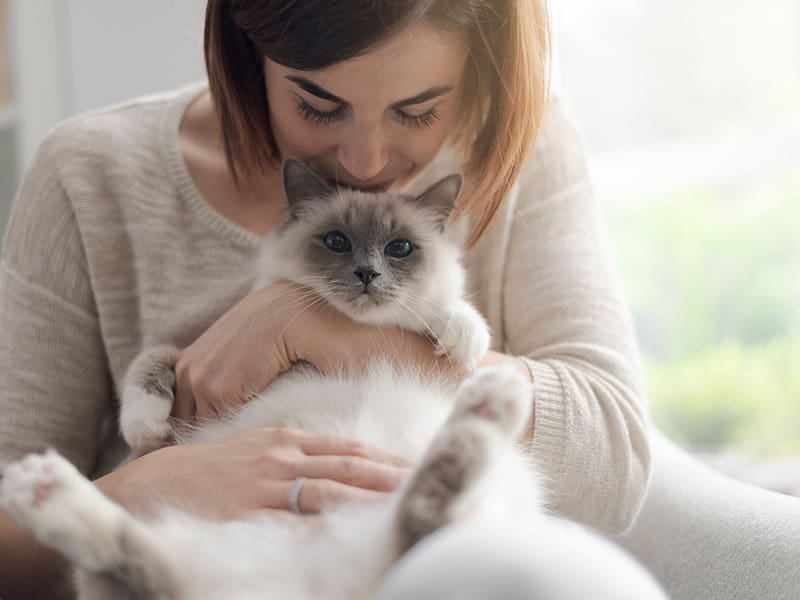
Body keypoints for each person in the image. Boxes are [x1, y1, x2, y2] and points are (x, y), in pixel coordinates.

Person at [0, 1, 794, 599]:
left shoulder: (523, 143)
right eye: (318, 104)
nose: (366, 158)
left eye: (416, 111)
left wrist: (319, 326)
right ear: (248, 49)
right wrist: (143, 488)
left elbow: (614, 451)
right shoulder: (89, 174)